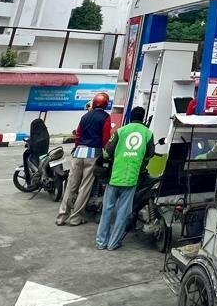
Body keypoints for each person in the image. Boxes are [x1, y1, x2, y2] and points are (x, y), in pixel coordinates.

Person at [97, 106, 155, 250]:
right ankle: (113, 243)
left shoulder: (120, 131)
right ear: (143, 118)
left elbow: (107, 152)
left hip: (114, 176)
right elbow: (150, 154)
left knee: (107, 210)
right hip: (131, 178)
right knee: (123, 212)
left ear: (130, 117)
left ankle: (101, 242)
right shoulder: (148, 133)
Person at [57, 92, 113, 226]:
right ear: (105, 104)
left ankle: (61, 217)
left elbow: (78, 135)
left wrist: (77, 147)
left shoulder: (85, 116)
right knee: (85, 187)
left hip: (78, 153)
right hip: (93, 154)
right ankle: (75, 218)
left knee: (71, 185)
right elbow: (105, 137)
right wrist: (105, 152)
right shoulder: (106, 117)